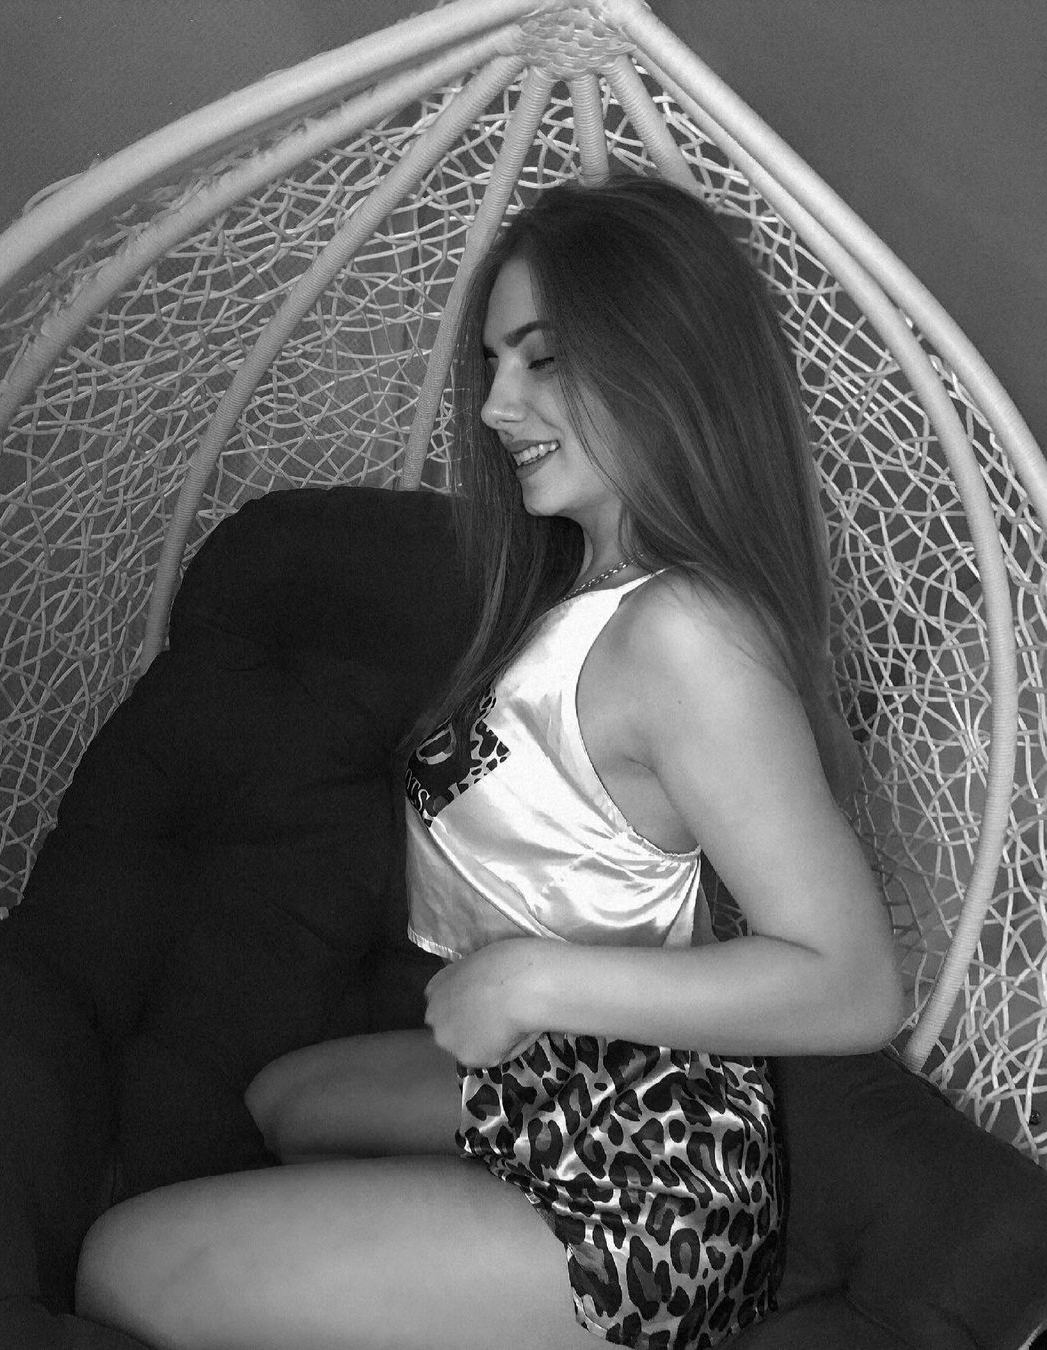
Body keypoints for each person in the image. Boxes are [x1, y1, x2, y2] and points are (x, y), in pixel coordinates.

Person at [75, 175, 903, 1350]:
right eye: (493, 366)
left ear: (666, 361)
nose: (497, 407)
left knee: (122, 1265)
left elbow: (855, 985)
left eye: (543, 360)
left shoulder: (687, 637)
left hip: (650, 1181)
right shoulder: (588, 591)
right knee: (282, 1105)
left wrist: (530, 982)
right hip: (557, 1080)